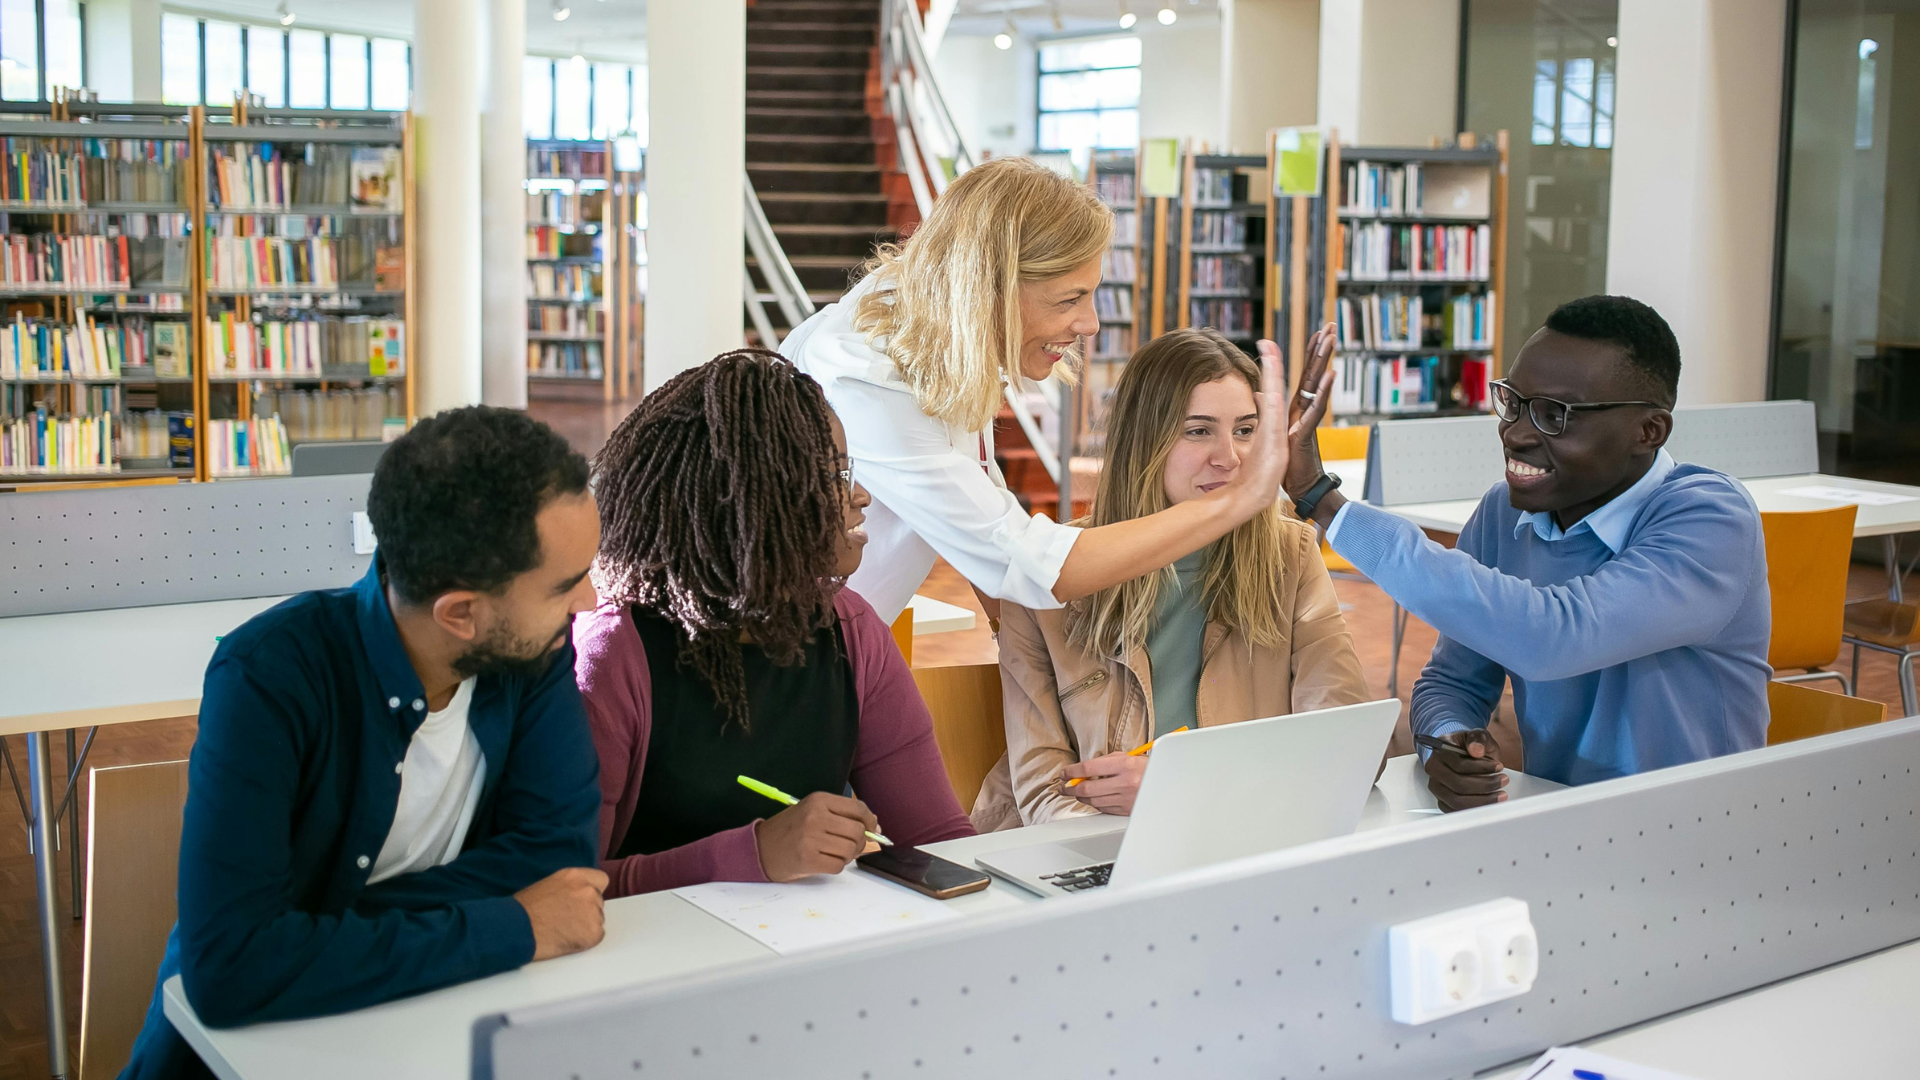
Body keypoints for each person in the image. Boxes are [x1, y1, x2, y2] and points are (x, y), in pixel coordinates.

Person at [121, 407, 608, 1080]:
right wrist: (513, 926)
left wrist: (310, 932)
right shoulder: (268, 676)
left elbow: (560, 861)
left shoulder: (534, 649)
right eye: (565, 585)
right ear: (460, 614)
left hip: (436, 1035)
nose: (589, 600)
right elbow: (231, 969)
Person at [1282, 295, 1771, 809]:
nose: (1514, 433)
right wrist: (1448, 742)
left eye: (1554, 415)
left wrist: (1326, 502)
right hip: (1560, 830)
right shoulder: (1504, 514)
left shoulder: (1711, 518)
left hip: (1701, 838)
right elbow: (1451, 682)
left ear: (1648, 432)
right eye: (1512, 402)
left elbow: (1552, 635)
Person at [782, 155, 1302, 627]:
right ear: (987, 290)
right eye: (1069, 299)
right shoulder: (866, 380)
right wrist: (1236, 503)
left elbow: (983, 511)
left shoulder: (935, 321)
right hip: (783, 652)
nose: (1090, 323)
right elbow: (1018, 561)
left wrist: (1022, 654)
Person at [574, 350, 975, 897]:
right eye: (832, 474)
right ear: (748, 498)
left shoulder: (852, 632)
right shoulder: (613, 658)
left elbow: (940, 842)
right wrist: (754, 853)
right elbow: (566, 890)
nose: (860, 497)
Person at [973, 328, 1371, 829]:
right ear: (1145, 441)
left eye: (1246, 430)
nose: (1229, 457)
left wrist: (1181, 789)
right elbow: (1043, 793)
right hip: (1083, 852)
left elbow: (1349, 746)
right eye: (1199, 430)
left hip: (1234, 837)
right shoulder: (1044, 572)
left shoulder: (1289, 556)